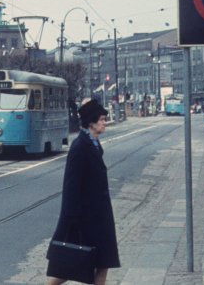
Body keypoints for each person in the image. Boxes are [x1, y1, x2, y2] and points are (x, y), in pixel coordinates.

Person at [46, 99, 120, 285]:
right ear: (91, 122)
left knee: (103, 264)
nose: (105, 122)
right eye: (102, 119)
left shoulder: (94, 144)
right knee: (71, 267)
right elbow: (71, 187)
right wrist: (73, 220)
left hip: (99, 218)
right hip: (87, 220)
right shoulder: (80, 147)